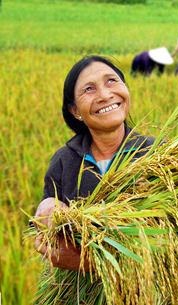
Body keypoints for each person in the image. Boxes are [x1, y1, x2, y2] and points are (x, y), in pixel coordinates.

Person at [33, 55, 155, 270]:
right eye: (89, 89)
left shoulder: (158, 154)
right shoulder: (64, 161)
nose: (105, 95)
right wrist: (47, 211)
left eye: (112, 81)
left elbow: (175, 240)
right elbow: (45, 235)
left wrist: (89, 263)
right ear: (75, 111)